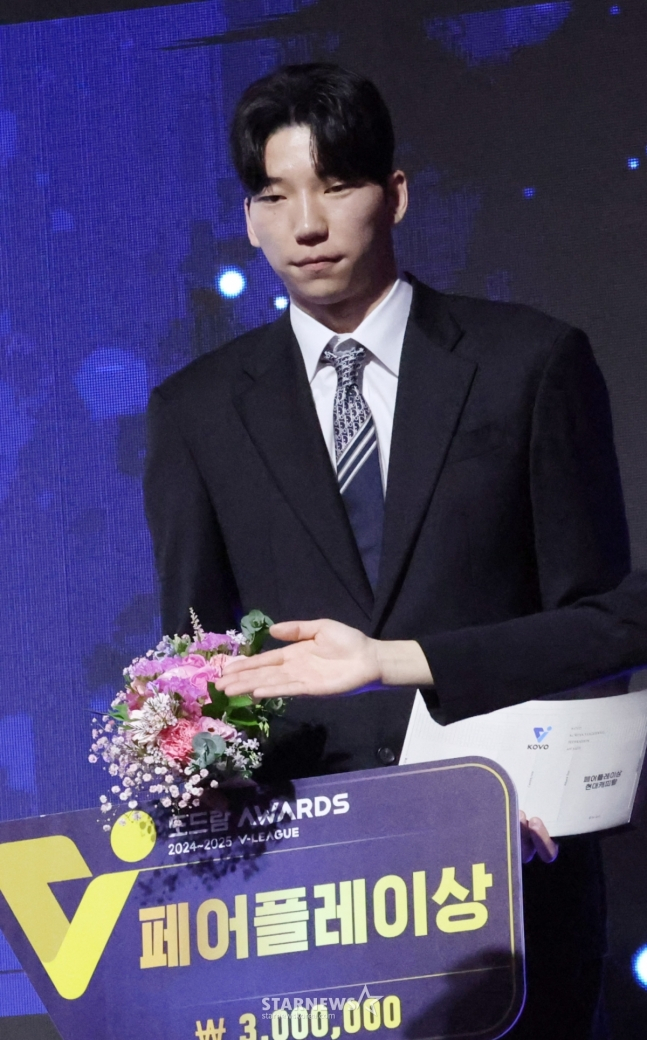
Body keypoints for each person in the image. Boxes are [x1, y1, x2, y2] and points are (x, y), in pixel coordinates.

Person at [144, 63, 647, 1038]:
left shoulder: (526, 363)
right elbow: (198, 671)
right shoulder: (195, 412)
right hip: (307, 897)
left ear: (396, 193)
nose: (306, 224)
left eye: (335, 185)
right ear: (247, 219)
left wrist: (401, 666)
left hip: (512, 867)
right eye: (274, 196)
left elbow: (606, 621)